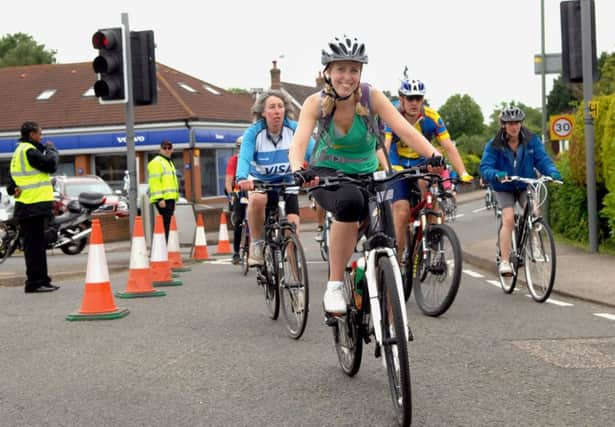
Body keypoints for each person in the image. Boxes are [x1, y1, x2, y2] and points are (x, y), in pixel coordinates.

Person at [289, 35, 442, 314]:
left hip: (368, 174)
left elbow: (404, 130)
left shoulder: (372, 97)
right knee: (351, 203)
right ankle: (334, 285)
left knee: (386, 237)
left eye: (354, 70)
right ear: (328, 72)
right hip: (327, 175)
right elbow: (298, 143)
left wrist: (433, 157)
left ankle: (390, 319)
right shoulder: (315, 103)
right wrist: (300, 170)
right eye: (340, 69)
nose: (347, 76)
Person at [384, 76, 473, 257]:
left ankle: (430, 236)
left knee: (429, 191)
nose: (414, 102)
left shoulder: (432, 117)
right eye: (410, 98)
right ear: (401, 99)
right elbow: (385, 146)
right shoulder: (392, 115)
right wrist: (385, 169)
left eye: (418, 98)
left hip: (422, 163)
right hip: (397, 164)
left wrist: (463, 173)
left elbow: (449, 146)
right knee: (401, 211)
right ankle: (397, 261)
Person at [235, 90, 314, 266]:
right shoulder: (253, 133)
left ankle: (297, 279)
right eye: (272, 107)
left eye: (280, 107)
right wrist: (241, 178)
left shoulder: (294, 129)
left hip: (287, 180)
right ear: (263, 112)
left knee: (293, 228)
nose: (277, 111)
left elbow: (313, 152)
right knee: (257, 199)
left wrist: (318, 172)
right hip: (261, 179)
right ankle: (256, 243)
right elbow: (245, 158)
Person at [480, 106, 561, 276]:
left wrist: (552, 173)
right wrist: (497, 174)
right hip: (504, 187)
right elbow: (486, 167)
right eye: (509, 123)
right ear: (503, 125)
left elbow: (542, 159)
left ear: (521, 123)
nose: (514, 126)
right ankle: (504, 261)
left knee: (533, 210)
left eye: (516, 123)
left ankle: (534, 244)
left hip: (524, 183)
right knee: (508, 218)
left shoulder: (531, 140)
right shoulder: (494, 144)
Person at [9, 121, 59, 293]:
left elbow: (11, 184)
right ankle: (34, 282)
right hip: (32, 206)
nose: (42, 137)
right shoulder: (29, 151)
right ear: (31, 135)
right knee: (34, 247)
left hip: (29, 206)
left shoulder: (18, 153)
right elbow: (51, 165)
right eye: (39, 133)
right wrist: (52, 150)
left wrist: (14, 189)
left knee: (37, 245)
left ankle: (43, 280)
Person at [148, 140, 179, 241]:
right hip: (163, 199)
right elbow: (155, 182)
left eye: (169, 148)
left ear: (172, 150)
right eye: (164, 148)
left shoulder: (168, 162)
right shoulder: (157, 162)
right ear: (160, 149)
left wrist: (174, 199)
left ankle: (165, 245)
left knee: (167, 223)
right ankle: (164, 246)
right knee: (166, 223)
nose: (167, 150)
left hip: (170, 198)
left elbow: (171, 182)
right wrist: (160, 198)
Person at [225, 136, 246, 265]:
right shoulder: (234, 160)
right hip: (238, 190)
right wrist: (231, 194)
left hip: (253, 189)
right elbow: (228, 181)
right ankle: (236, 252)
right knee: (239, 220)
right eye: (239, 147)